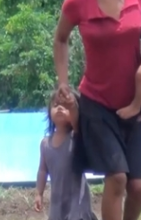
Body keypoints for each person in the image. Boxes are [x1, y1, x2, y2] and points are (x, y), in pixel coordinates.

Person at [53, 0, 141, 220]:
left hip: (139, 102)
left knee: (138, 187)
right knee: (117, 178)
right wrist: (63, 81)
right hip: (97, 104)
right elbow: (61, 39)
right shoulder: (77, 2)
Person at [33, 90, 97, 220]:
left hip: (77, 200)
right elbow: (42, 170)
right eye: (56, 105)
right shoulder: (45, 144)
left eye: (66, 106)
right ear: (49, 112)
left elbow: (77, 122)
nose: (60, 108)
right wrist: (38, 193)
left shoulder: (76, 136)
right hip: (57, 201)